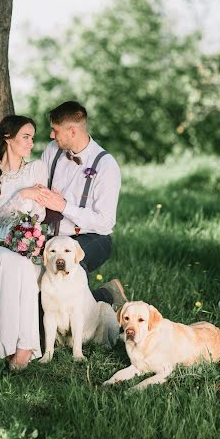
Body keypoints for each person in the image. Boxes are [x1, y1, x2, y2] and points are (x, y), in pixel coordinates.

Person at [0, 115, 47, 370]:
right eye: (25, 137)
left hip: (29, 239)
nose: (31, 142)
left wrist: (27, 230)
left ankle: (24, 347)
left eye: (32, 137)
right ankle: (6, 346)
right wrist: (21, 195)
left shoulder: (36, 169)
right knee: (8, 261)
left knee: (23, 265)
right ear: (8, 138)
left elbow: (39, 212)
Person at [40, 101, 126, 306]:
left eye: (55, 130)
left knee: (71, 268)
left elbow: (105, 223)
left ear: (72, 131)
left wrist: (64, 206)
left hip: (92, 237)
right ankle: (106, 294)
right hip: (54, 236)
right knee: (38, 291)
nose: (51, 136)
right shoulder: (53, 150)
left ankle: (104, 299)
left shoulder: (106, 165)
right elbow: (39, 186)